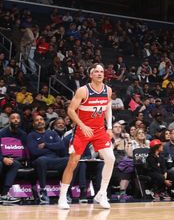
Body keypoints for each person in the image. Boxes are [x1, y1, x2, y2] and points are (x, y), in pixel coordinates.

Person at [57, 63, 116, 210]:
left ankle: (101, 194)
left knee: (111, 158)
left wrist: (109, 127)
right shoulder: (83, 91)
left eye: (102, 71)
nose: (99, 74)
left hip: (99, 130)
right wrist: (82, 125)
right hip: (82, 130)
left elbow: (107, 108)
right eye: (96, 71)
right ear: (91, 75)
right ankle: (62, 196)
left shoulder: (108, 90)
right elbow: (70, 110)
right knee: (73, 162)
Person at [27, 114, 68, 205]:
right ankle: (43, 190)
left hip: (54, 159)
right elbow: (34, 152)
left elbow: (61, 146)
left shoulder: (52, 133)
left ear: (44, 122)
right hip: (39, 160)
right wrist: (52, 149)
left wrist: (46, 145)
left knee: (70, 161)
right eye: (37, 120)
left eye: (41, 119)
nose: (40, 121)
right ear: (33, 124)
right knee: (42, 160)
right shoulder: (31, 135)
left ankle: (66, 191)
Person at [0, 112, 26, 204]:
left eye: (17, 118)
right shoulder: (2, 132)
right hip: (1, 158)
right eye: (13, 118)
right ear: (9, 120)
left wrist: (13, 159)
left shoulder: (22, 134)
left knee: (15, 164)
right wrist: (3, 159)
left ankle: (4, 194)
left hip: (14, 160)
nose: (15, 120)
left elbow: (24, 151)